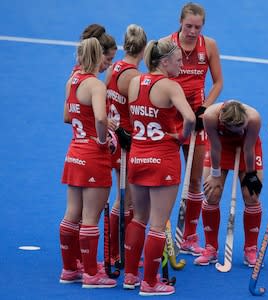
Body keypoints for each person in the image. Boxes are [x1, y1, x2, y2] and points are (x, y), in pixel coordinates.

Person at [122, 39, 195, 296]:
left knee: (138, 218)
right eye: (177, 61)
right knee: (157, 223)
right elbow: (190, 118)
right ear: (163, 62)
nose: (182, 65)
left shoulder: (133, 82)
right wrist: (182, 138)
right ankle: (150, 283)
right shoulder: (170, 86)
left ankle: (130, 275)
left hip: (137, 157)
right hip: (162, 157)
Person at [160, 2, 223, 256]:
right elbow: (154, 78)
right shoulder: (165, 44)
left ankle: (189, 236)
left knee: (195, 178)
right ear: (180, 22)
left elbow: (218, 82)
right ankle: (160, 231)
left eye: (198, 27)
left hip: (196, 120)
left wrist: (204, 108)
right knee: (165, 177)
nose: (193, 31)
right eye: (188, 26)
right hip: (169, 118)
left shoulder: (209, 46)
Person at [59, 37, 117, 288]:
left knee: (72, 214)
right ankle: (92, 274)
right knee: (90, 216)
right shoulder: (96, 85)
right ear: (98, 56)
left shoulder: (72, 81)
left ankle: (70, 268)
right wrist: (104, 140)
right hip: (93, 155)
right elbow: (101, 119)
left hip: (73, 152)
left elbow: (66, 117)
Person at [194, 100, 263, 267]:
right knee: (212, 193)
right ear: (223, 122)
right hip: (221, 146)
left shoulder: (253, 118)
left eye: (241, 128)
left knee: (251, 195)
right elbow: (215, 147)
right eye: (235, 130)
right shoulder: (210, 116)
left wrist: (251, 175)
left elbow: (249, 149)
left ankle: (251, 249)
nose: (239, 132)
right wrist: (215, 174)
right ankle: (211, 248)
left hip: (248, 147)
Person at [104, 24, 147, 266]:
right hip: (127, 143)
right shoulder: (134, 77)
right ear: (143, 48)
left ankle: (118, 251)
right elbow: (140, 111)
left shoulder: (113, 68)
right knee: (126, 201)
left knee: (123, 199)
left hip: (113, 139)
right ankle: (119, 253)